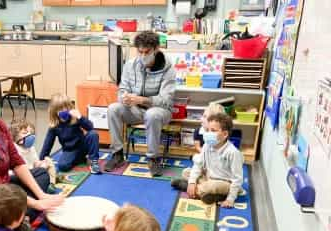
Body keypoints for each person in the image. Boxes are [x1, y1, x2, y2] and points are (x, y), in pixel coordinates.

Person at [0, 76, 63, 221]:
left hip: (5, 184)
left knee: (41, 174)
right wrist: (37, 204)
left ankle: (19, 217)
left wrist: (41, 195)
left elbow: (16, 160)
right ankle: (18, 219)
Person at [105, 31, 176, 177]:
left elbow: (166, 100)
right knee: (113, 109)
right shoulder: (130, 65)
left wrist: (142, 100)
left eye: (147, 52)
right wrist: (124, 98)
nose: (143, 55)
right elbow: (122, 89)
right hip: (135, 110)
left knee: (152, 114)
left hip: (160, 111)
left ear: (156, 49)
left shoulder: (168, 69)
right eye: (140, 51)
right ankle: (117, 154)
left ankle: (153, 158)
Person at [171, 113, 243, 208]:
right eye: (207, 130)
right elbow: (198, 165)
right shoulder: (207, 145)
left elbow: (237, 179)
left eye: (213, 130)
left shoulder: (233, 152)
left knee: (210, 187)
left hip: (225, 183)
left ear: (225, 134)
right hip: (208, 178)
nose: (208, 133)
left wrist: (230, 199)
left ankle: (188, 187)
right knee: (186, 172)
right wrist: (192, 182)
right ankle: (207, 193)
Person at [40, 93, 101, 174]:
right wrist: (41, 160)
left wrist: (80, 117)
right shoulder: (54, 126)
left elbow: (90, 127)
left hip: (83, 146)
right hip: (70, 150)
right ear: (54, 111)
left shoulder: (75, 118)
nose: (64, 110)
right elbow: (47, 144)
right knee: (62, 166)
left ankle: (94, 162)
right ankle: (80, 159)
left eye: (66, 107)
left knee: (93, 134)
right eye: (60, 109)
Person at [11, 121, 57, 193]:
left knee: (48, 161)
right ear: (15, 137)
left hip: (34, 171)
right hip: (23, 176)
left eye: (31, 132)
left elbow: (35, 161)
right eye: (25, 133)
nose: (30, 135)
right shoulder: (15, 149)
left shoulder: (31, 148)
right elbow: (21, 170)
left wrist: (41, 164)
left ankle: (52, 184)